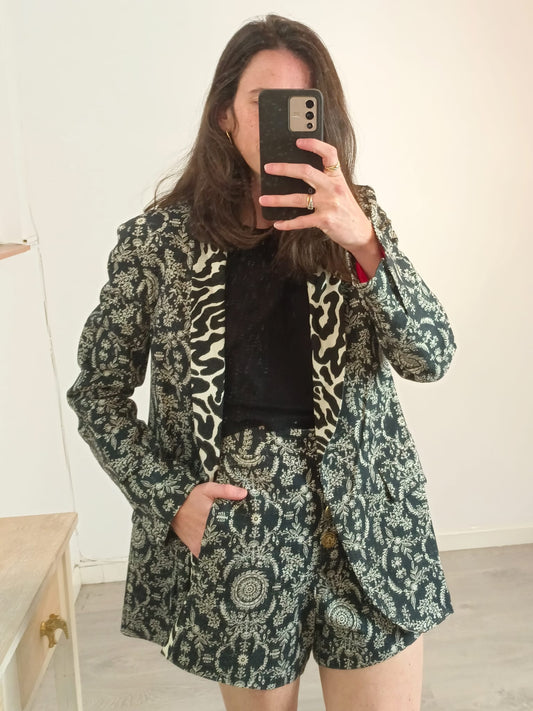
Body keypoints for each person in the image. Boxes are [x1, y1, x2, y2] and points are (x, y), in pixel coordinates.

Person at [67, 14, 456, 711]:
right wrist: (170, 498)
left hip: (366, 524)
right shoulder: (158, 243)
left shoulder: (355, 219)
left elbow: (430, 357)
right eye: (263, 101)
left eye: (300, 103)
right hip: (241, 529)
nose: (282, 119)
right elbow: (97, 393)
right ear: (225, 114)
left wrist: (364, 243)